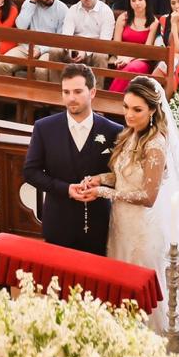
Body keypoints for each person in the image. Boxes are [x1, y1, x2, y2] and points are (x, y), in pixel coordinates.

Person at [75, 76, 170, 330]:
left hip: (140, 227)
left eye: (137, 109)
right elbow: (124, 176)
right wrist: (99, 179)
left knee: (137, 281)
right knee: (118, 276)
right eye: (126, 107)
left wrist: (104, 193)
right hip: (120, 222)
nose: (128, 114)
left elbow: (148, 197)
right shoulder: (130, 135)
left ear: (152, 110)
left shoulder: (155, 146)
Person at [22, 63, 124, 254]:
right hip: (58, 221)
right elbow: (30, 172)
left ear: (92, 92)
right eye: (66, 92)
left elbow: (121, 176)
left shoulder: (114, 131)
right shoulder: (44, 128)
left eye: (77, 91)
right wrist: (66, 189)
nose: (71, 98)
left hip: (99, 222)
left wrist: (100, 187)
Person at [112, 0, 179, 93]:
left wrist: (173, 25)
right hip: (163, 59)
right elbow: (159, 46)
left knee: (170, 65)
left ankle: (156, 98)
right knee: (165, 64)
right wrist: (173, 55)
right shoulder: (164, 20)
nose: (176, 6)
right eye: (173, 3)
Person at [0, 0, 67, 79]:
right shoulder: (29, 3)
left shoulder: (62, 9)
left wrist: (41, 49)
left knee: (41, 70)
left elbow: (60, 41)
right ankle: (8, 94)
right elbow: (21, 26)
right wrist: (32, 4)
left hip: (48, 50)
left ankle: (41, 95)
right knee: (2, 64)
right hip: (27, 47)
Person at [59, 0, 115, 71]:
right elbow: (66, 36)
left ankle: (97, 86)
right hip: (74, 49)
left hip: (95, 51)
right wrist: (72, 49)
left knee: (101, 55)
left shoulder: (106, 12)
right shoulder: (72, 10)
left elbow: (104, 42)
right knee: (55, 50)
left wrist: (85, 52)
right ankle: (56, 85)